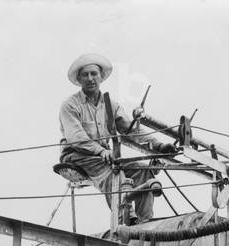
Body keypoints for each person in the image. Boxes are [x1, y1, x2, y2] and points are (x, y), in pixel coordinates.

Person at [59, 53, 178, 224]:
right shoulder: (70, 105)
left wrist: (158, 145)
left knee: (143, 170)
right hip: (77, 155)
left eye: (94, 74)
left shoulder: (110, 105)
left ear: (101, 77)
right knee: (114, 173)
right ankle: (125, 218)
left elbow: (130, 130)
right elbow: (76, 137)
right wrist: (101, 151)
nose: (90, 78)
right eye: (85, 74)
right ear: (79, 79)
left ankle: (145, 223)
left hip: (103, 155)